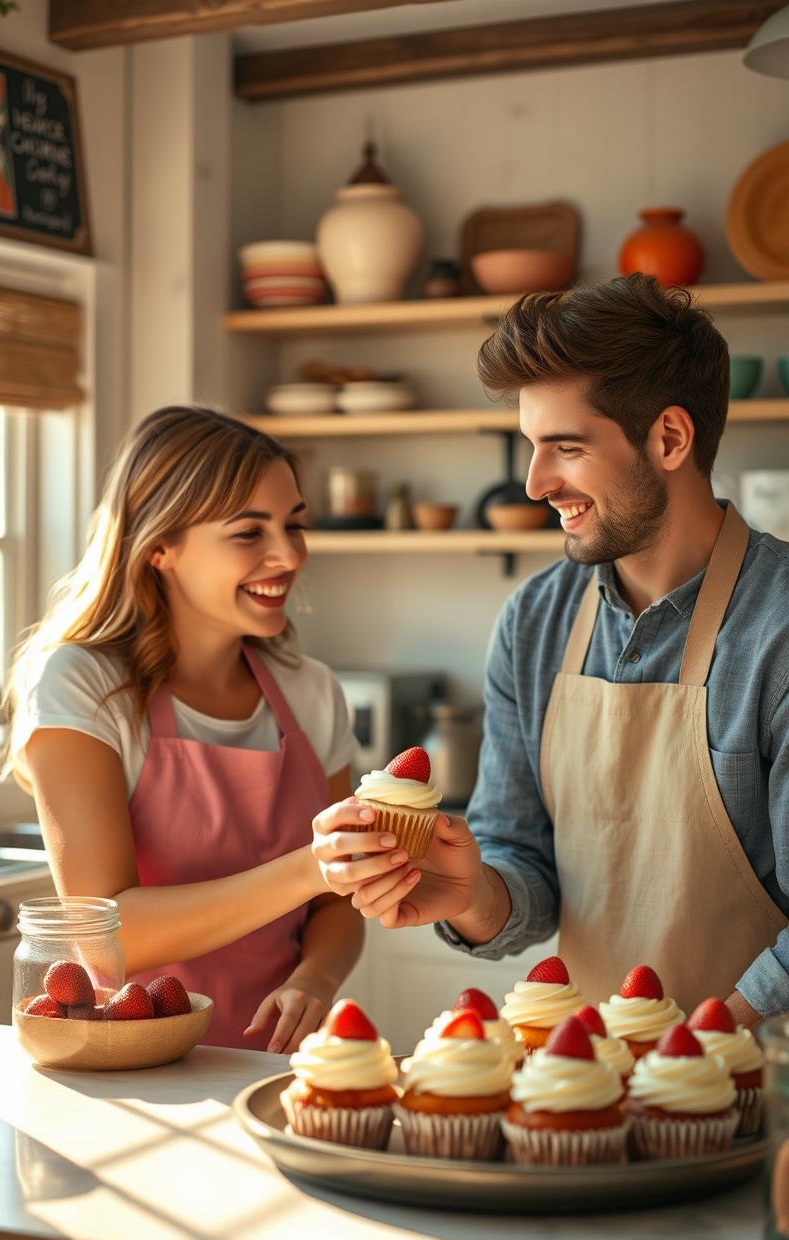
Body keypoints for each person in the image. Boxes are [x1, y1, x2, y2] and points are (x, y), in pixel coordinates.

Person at [313, 273, 789, 1028]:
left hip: (758, 1096)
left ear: (670, 438)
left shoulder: (780, 628)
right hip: (582, 1092)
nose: (536, 483)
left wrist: (696, 1055)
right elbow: (524, 874)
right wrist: (469, 892)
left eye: (565, 448)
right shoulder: (535, 621)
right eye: (531, 447)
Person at [3, 406, 412, 1051]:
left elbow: (337, 904)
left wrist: (316, 978)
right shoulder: (83, 684)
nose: (288, 554)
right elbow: (106, 933)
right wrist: (314, 867)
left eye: (294, 525)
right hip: (135, 1068)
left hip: (278, 1066)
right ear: (160, 546)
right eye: (250, 533)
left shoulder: (311, 691)